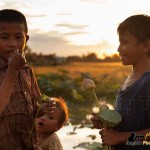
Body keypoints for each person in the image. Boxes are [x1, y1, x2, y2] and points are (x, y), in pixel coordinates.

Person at [91, 14, 150, 149]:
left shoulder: (148, 82)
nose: (118, 49)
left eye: (124, 42)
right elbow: (132, 120)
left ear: (146, 45)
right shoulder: (130, 79)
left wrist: (119, 137)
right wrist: (108, 122)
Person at [0, 9, 55, 150]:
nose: (12, 44)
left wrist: (43, 109)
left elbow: (34, 107)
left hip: (30, 144)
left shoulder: (27, 70)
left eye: (18, 37)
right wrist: (12, 70)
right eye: (4, 37)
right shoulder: (15, 69)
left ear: (27, 39)